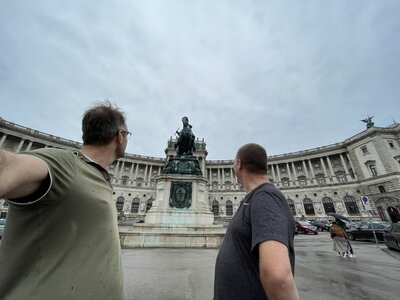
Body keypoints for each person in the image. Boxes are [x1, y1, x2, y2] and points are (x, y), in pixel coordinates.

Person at [0, 101, 130, 299]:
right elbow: (6, 167)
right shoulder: (65, 164)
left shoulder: (94, 175)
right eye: (128, 135)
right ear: (120, 136)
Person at [214, 143, 299, 300]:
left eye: (233, 163)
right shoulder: (256, 198)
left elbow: (278, 277)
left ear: (239, 165)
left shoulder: (266, 198)